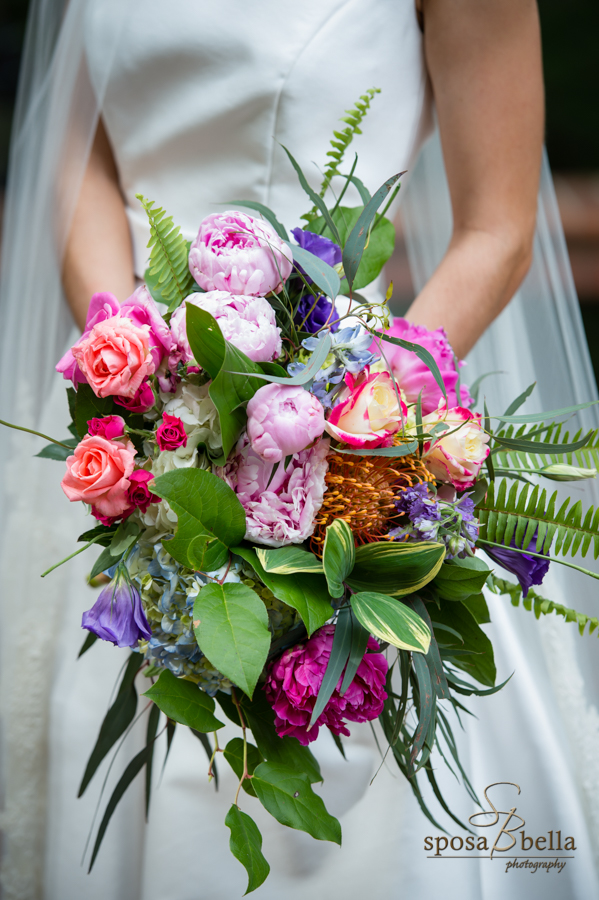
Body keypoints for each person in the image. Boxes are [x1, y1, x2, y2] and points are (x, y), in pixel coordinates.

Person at [1, 1, 598, 898]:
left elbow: (496, 228)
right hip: (143, 455)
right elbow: (81, 154)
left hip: (350, 462)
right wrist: (127, 365)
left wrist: (353, 423)